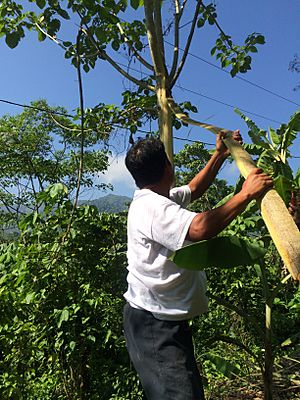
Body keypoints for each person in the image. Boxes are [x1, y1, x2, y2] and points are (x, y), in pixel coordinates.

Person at [123, 131, 273, 400]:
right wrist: (246, 194)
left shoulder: (160, 197)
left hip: (160, 319)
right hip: (154, 324)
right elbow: (200, 228)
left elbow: (194, 189)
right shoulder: (152, 208)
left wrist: (219, 154)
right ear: (168, 167)